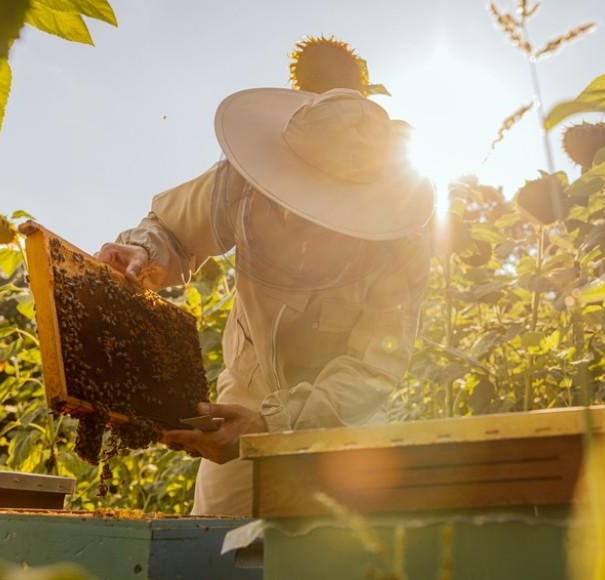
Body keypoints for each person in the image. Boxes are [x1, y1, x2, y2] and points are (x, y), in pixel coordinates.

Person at [96, 87, 434, 516]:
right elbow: (173, 229)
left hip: (344, 418)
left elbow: (371, 369)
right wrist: (144, 252)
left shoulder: (399, 246)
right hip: (245, 393)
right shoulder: (239, 184)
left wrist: (274, 425)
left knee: (347, 551)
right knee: (211, 547)